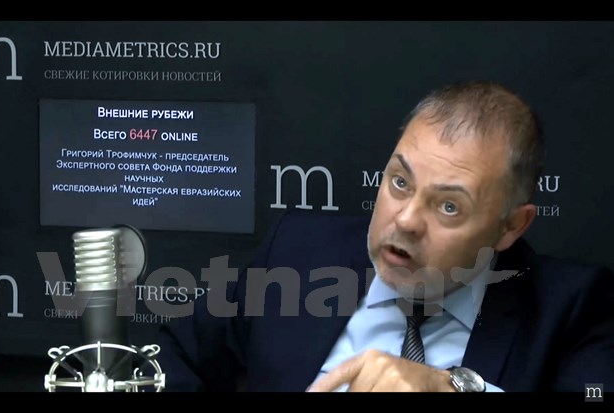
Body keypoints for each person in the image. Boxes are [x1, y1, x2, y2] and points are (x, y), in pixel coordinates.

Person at [157, 80, 614, 392]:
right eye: (400, 182)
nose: (407, 220)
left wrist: (449, 387)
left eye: (449, 206)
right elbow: (172, 358)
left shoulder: (571, 309)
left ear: (511, 226)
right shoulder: (296, 251)